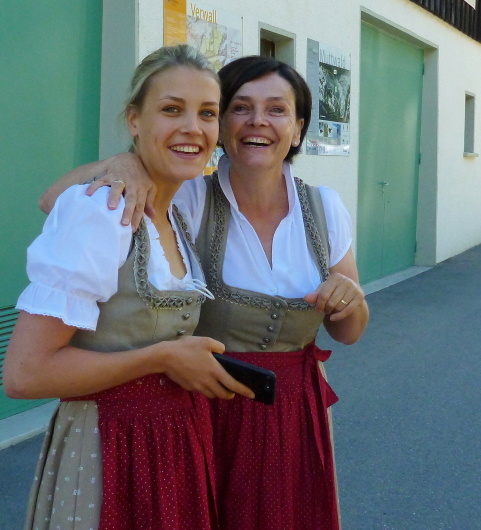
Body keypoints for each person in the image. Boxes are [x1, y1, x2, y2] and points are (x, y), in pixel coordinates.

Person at [39, 55, 369, 530]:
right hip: (206, 407)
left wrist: (351, 298)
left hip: (293, 411)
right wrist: (124, 161)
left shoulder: (324, 208)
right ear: (223, 126)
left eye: (277, 110)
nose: (258, 121)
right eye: (240, 107)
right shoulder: (191, 196)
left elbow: (349, 332)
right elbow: (55, 201)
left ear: (298, 130)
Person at [4, 45, 255, 529]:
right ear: (134, 119)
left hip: (176, 445)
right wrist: (160, 359)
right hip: (107, 450)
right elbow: (25, 374)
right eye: (171, 109)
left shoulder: (179, 214)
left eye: (207, 113)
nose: (192, 127)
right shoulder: (100, 212)